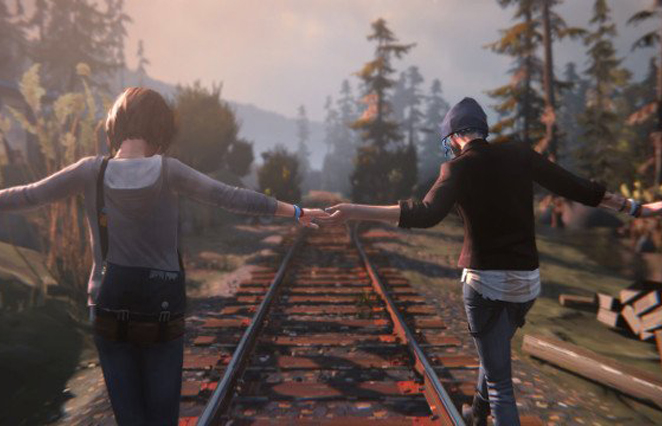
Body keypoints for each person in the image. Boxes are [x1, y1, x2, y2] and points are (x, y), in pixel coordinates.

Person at [319, 97, 662, 426]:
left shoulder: (457, 167)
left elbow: (425, 214)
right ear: (482, 129)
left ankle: (485, 411)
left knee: (501, 384)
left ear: (453, 138)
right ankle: (475, 415)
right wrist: (636, 208)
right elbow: (577, 187)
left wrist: (353, 211)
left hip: (485, 285)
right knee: (495, 352)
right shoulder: (519, 155)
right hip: (527, 284)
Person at [0, 87, 329, 425]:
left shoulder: (90, 171)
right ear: (161, 130)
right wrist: (296, 211)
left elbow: (27, 196)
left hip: (108, 303)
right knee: (161, 415)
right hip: (161, 306)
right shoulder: (170, 171)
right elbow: (231, 197)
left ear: (115, 126)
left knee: (130, 417)